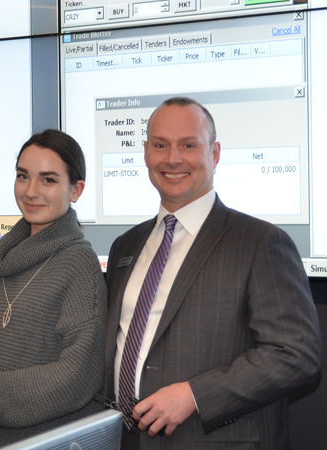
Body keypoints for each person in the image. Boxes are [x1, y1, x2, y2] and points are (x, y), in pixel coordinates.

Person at [104, 97, 321, 449]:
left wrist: (195, 395)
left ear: (215, 153)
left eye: (188, 145)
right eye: (161, 145)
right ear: (145, 153)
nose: (173, 158)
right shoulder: (124, 247)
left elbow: (295, 354)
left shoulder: (261, 242)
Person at [0, 129, 107, 449]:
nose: (31, 191)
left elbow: (79, 376)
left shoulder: (79, 263)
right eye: (23, 176)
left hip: (39, 442)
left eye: (48, 180)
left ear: (76, 190)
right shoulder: (0, 258)